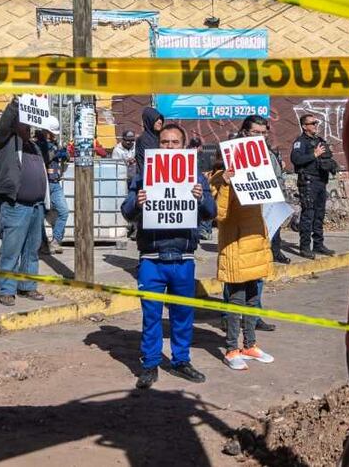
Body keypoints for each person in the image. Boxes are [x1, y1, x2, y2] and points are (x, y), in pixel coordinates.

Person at [120, 123, 214, 389]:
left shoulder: (196, 176)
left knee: (183, 314)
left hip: (183, 258)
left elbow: (211, 212)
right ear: (157, 144)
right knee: (151, 315)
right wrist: (136, 202)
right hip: (151, 257)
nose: (169, 146)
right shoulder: (144, 175)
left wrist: (200, 198)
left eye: (174, 142)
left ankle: (181, 360)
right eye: (164, 142)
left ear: (183, 146)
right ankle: (149, 364)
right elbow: (126, 211)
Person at [211, 139, 276, 371]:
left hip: (256, 243)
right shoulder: (217, 178)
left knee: (252, 299)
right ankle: (231, 349)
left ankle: (250, 345)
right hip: (236, 246)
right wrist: (226, 183)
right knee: (235, 301)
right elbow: (218, 214)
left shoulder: (255, 173)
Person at [219, 115, 279, 332]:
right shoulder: (229, 155)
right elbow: (218, 187)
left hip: (259, 222)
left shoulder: (268, 155)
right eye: (256, 133)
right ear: (245, 133)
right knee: (235, 276)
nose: (261, 137)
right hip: (236, 227)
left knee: (257, 274)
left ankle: (254, 317)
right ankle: (229, 316)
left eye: (264, 133)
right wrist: (225, 181)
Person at [0, 97, 48, 306]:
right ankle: (7, 289)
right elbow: (4, 125)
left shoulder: (33, 146)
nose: (28, 127)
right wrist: (16, 104)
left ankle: (27, 286)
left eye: (29, 124)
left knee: (31, 250)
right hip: (16, 205)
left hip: (36, 206)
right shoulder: (7, 141)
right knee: (11, 248)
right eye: (24, 123)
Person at [290, 114, 337, 258]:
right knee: (308, 215)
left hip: (321, 182)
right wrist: (314, 155)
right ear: (304, 126)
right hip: (308, 182)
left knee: (319, 214)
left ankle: (318, 245)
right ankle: (305, 247)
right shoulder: (300, 142)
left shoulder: (319, 140)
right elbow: (296, 159)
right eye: (312, 123)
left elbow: (328, 158)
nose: (316, 125)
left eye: (316, 123)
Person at [35, 115, 68, 255]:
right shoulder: (38, 145)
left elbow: (64, 156)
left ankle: (56, 241)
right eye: (52, 133)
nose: (54, 136)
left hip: (54, 183)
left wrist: (63, 153)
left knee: (63, 211)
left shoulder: (53, 145)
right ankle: (43, 243)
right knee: (39, 215)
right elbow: (45, 157)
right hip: (43, 184)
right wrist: (56, 152)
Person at [134, 106, 163, 173]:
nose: (160, 122)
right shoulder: (144, 139)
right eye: (156, 119)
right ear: (149, 120)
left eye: (161, 119)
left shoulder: (160, 137)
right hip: (146, 178)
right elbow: (151, 160)